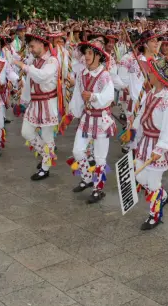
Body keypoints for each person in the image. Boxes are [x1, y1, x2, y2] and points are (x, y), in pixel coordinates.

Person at [65, 37, 116, 203]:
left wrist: (94, 96)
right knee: (78, 151)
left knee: (100, 157)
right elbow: (78, 96)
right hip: (87, 117)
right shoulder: (81, 74)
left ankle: (98, 188)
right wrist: (74, 111)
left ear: (98, 56)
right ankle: (87, 178)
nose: (85, 56)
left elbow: (109, 97)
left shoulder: (104, 75)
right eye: (85, 53)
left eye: (89, 53)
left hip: (101, 118)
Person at [131, 57, 168, 230]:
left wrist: (161, 148)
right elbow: (142, 116)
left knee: (152, 182)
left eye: (150, 72)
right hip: (146, 142)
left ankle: (155, 215)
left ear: (158, 76)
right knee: (138, 175)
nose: (147, 74)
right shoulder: (150, 93)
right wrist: (134, 130)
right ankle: (163, 195)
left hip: (158, 144)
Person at [14, 28, 60, 181]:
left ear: (42, 44)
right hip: (35, 103)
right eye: (30, 46)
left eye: (33, 46)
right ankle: (47, 156)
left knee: (47, 137)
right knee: (26, 132)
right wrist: (24, 101)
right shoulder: (34, 61)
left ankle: (45, 167)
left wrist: (24, 67)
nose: (31, 49)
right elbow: (29, 82)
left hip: (48, 103)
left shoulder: (52, 61)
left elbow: (41, 77)